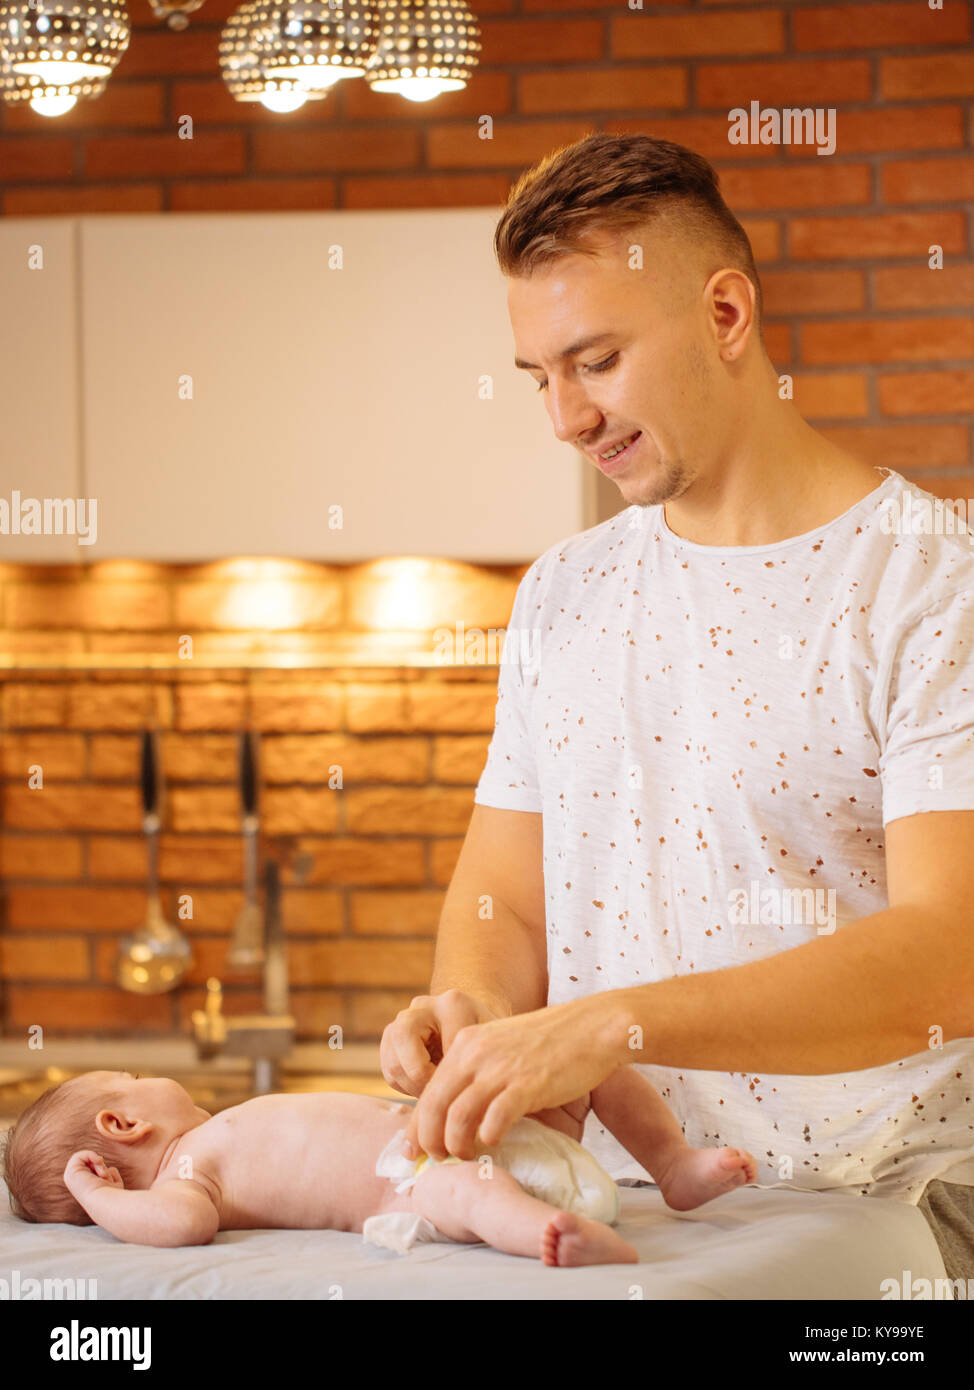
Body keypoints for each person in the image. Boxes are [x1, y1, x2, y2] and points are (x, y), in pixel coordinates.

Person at [379, 133, 974, 1289]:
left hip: (889, 1208)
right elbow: (500, 893)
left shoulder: (926, 580)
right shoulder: (564, 590)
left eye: (593, 361)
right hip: (624, 1215)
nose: (562, 416)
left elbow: (944, 955)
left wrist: (611, 1024)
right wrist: (479, 1012)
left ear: (724, 314)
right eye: (537, 376)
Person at [0, 1068, 757, 1264]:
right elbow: (180, 1227)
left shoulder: (220, 1132)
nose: (141, 1085)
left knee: (586, 1069)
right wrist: (93, 1198)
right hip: (415, 1179)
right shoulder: (186, 1178)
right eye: (123, 1081)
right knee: (468, 1190)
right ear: (122, 1122)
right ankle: (551, 1233)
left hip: (452, 1132)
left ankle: (675, 1168)